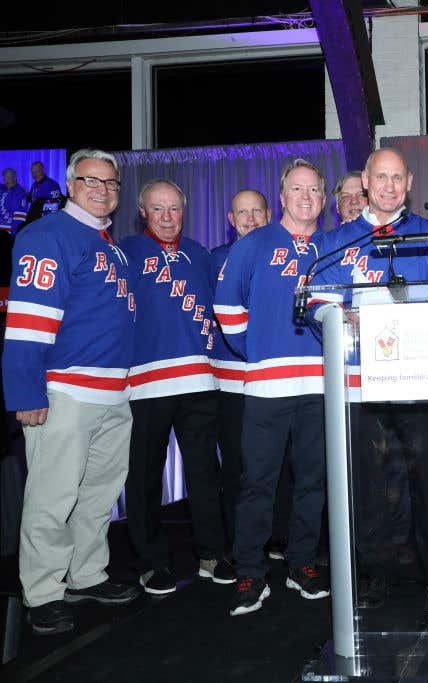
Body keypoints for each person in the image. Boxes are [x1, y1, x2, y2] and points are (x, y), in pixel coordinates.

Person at [311, 148, 428, 613]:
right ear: (365, 182)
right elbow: (317, 304)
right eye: (382, 177)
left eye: (398, 178)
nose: (390, 186)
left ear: (410, 182)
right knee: (372, 485)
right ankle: (376, 574)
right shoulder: (337, 242)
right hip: (361, 385)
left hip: (422, 380)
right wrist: (342, 316)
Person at [3, 149, 140, 635]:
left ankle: (85, 574)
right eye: (91, 180)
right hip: (64, 393)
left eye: (111, 183)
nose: (102, 189)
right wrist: (25, 392)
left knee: (97, 496)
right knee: (51, 496)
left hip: (111, 394)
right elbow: (27, 323)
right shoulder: (48, 235)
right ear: (70, 185)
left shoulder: (110, 243)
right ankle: (42, 591)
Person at [215, 159, 331, 616]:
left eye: (314, 191)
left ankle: (302, 563)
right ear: (281, 197)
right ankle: (250, 572)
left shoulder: (332, 246)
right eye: (297, 190)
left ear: (323, 200)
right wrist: (257, 350)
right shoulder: (254, 244)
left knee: (312, 482)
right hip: (266, 386)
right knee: (257, 483)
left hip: (321, 386)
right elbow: (226, 308)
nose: (305, 198)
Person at [120, 180, 233, 594]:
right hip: (145, 383)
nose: (167, 217)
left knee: (205, 471)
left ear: (184, 212)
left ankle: (212, 553)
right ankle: (151, 561)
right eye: (158, 209)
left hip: (200, 381)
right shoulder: (126, 253)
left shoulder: (200, 255)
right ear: (143, 212)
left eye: (174, 209)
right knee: (144, 474)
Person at [210, 190, 284, 559]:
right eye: (243, 212)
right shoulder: (216, 260)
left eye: (257, 211)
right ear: (230, 217)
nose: (251, 218)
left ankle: (277, 539)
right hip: (231, 381)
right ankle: (238, 544)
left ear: (270, 214)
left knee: (278, 465)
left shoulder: (285, 256)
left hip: (275, 380)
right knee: (238, 466)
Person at [1, 168, 28, 235]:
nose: (6, 181)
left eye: (8, 177)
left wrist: (13, 236)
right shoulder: (6, 190)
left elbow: (19, 219)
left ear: (15, 178)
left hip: (8, 235)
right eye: (5, 178)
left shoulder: (19, 193)